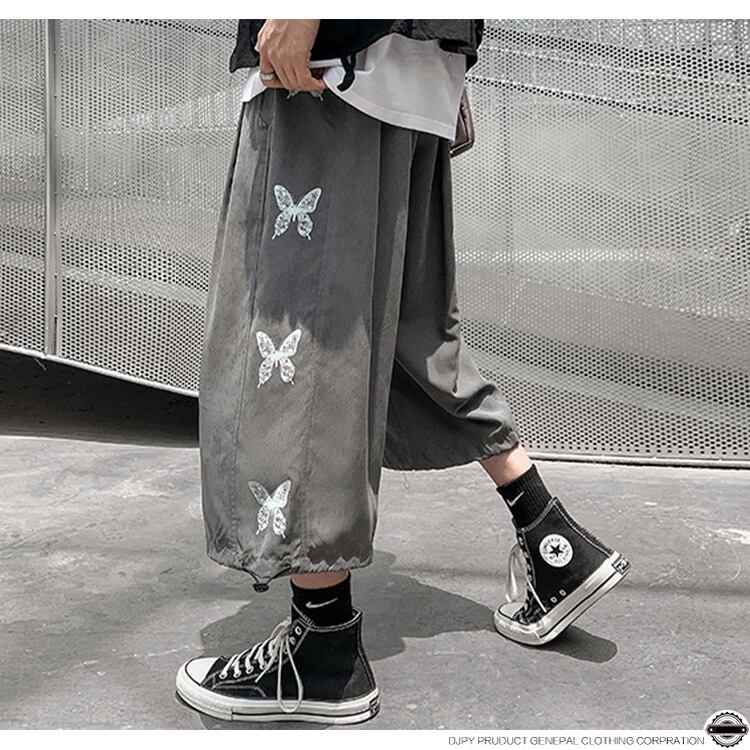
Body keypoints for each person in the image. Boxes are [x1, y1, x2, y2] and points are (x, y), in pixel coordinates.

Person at [175, 19, 631, 725]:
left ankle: (322, 649)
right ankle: (552, 540)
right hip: (411, 68)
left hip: (336, 66)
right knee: (405, 335)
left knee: (296, 347)